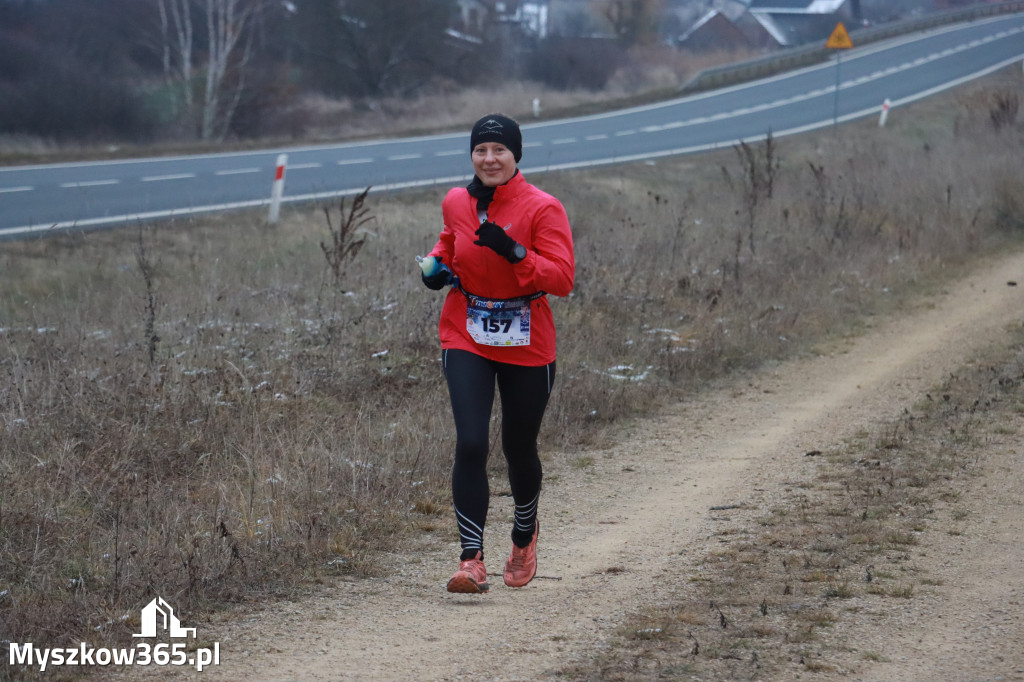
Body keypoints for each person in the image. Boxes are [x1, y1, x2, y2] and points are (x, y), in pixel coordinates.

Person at [418, 113, 575, 593]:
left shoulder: (543, 208)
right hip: (466, 332)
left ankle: (524, 536)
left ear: (515, 155)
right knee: (470, 443)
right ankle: (471, 560)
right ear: (472, 155)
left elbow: (563, 279)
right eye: (481, 150)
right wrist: (436, 266)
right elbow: (449, 243)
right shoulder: (455, 201)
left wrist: (516, 253)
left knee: (517, 447)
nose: (489, 159)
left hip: (526, 339)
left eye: (499, 150)